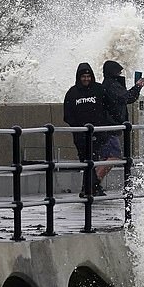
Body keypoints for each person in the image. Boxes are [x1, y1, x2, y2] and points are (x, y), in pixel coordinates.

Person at [63, 62, 111, 197]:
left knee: (92, 159)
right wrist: (78, 126)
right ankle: (92, 187)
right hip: (80, 135)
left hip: (97, 133)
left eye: (88, 76)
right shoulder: (72, 92)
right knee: (85, 161)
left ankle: (89, 188)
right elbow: (67, 115)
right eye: (83, 76)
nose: (86, 79)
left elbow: (109, 107)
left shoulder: (99, 90)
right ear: (79, 77)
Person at [98, 60, 144, 185]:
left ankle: (94, 184)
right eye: (118, 71)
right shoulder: (111, 85)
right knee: (113, 155)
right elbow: (127, 97)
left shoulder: (110, 84)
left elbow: (126, 97)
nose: (120, 73)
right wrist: (138, 86)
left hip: (110, 126)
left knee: (106, 157)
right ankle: (93, 184)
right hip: (110, 127)